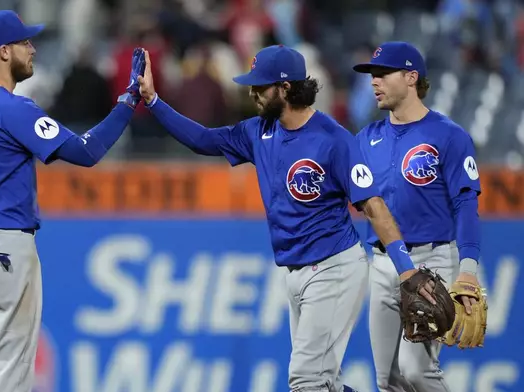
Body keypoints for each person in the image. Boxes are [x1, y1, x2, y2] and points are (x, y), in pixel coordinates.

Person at [136, 45, 434, 392]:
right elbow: (203, 140)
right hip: (294, 274)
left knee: (306, 380)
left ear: (286, 88)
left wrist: (407, 269)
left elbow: (374, 206)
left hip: (334, 269)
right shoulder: (258, 131)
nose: (253, 93)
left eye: (261, 87)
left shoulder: (333, 139)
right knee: (326, 383)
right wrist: (153, 100)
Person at [0, 10, 145, 392]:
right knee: (11, 369)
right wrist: (127, 102)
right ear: (4, 52)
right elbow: (85, 152)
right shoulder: (12, 108)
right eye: (25, 43)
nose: (33, 49)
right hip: (3, 247)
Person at [352, 41, 483, 392]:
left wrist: (468, 269)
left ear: (411, 77)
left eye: (383, 74)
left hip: (432, 260)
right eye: (372, 76)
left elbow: (466, 203)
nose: (374, 82)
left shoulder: (448, 135)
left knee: (416, 371)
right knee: (388, 380)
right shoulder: (365, 139)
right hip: (382, 262)